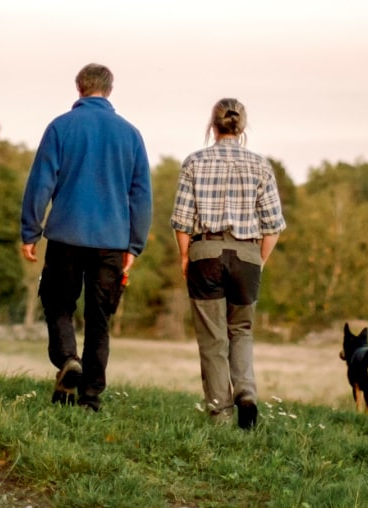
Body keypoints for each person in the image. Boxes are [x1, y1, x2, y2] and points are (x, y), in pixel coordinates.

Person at [20, 63, 152, 412]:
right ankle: (90, 398)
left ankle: (67, 359)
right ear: (109, 90)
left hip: (66, 235)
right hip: (112, 241)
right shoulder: (131, 134)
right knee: (99, 318)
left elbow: (41, 182)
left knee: (58, 302)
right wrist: (135, 245)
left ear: (79, 88)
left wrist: (30, 230)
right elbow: (140, 195)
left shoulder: (61, 127)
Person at [170, 98, 286, 429]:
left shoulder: (194, 162)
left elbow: (181, 221)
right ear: (242, 126)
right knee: (242, 330)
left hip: (205, 253)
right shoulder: (260, 166)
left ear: (213, 124)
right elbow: (273, 225)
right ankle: (246, 394)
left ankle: (221, 414)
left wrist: (184, 256)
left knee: (213, 338)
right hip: (247, 255)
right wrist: (258, 260)